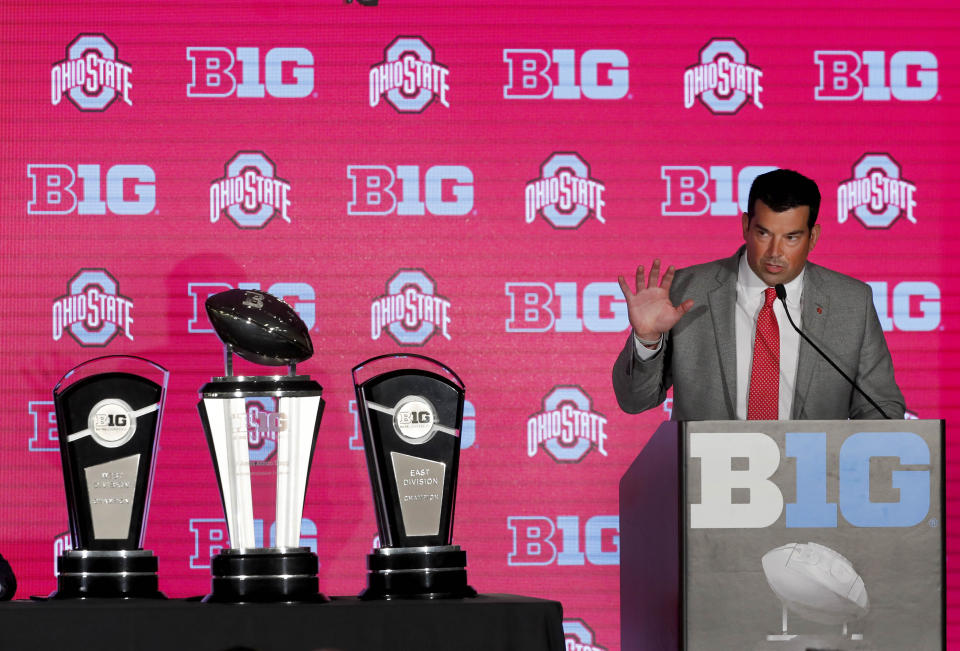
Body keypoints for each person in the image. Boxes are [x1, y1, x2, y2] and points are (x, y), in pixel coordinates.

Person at [612, 168, 905, 420]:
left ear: (812, 237)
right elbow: (635, 401)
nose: (774, 252)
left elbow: (882, 409)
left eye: (791, 237)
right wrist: (647, 340)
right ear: (745, 227)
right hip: (709, 480)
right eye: (763, 233)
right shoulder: (686, 291)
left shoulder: (852, 303)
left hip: (814, 479)